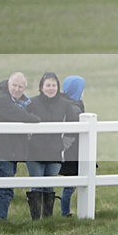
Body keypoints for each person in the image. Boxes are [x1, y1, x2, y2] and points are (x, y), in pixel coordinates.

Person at [0, 72, 41, 222]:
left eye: (21, 87)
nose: (17, 89)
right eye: (14, 85)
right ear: (8, 83)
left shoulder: (14, 100)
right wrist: (35, 119)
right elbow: (21, 116)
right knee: (4, 190)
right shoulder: (1, 99)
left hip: (1, 152)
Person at [25, 72, 79, 220]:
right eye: (48, 85)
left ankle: (48, 220)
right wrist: (27, 142)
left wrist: (63, 145)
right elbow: (21, 120)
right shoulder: (32, 102)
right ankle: (36, 220)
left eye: (54, 85)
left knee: (49, 186)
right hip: (34, 152)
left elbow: (74, 126)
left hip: (55, 152)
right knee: (36, 186)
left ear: (58, 87)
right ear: (41, 87)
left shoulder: (65, 104)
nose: (51, 88)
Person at [59, 75, 86, 217]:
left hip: (75, 150)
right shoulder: (73, 108)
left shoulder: (74, 104)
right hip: (73, 152)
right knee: (70, 184)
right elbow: (71, 133)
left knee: (73, 183)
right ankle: (65, 212)